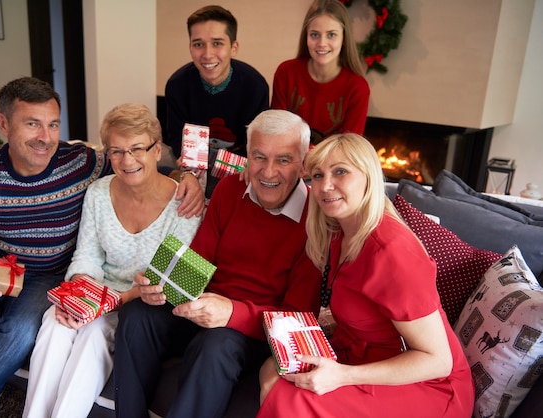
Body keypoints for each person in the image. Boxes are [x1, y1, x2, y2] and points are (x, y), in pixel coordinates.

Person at [0, 77, 204, 418]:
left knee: (47, 331)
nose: (45, 137)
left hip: (83, 286)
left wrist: (186, 175)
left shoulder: (82, 162)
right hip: (6, 266)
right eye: (32, 124)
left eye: (53, 125)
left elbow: (141, 168)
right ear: (3, 124)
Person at [113, 109, 322, 418]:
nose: (268, 172)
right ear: (247, 155)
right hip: (204, 308)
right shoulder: (229, 190)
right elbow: (199, 257)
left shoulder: (316, 218)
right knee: (137, 315)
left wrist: (232, 313)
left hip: (257, 331)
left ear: (303, 164)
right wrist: (162, 285)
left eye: (283, 160)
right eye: (259, 157)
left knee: (216, 344)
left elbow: (297, 318)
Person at [257, 134, 475, 417]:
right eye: (319, 174)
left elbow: (437, 361)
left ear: (369, 178)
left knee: (290, 398)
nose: (325, 186)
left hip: (427, 385)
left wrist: (342, 375)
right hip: (361, 356)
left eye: (341, 172)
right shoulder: (339, 232)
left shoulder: (391, 251)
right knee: (273, 370)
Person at [22, 103, 201, 418]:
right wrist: (79, 298)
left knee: (93, 334)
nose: (127, 160)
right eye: (116, 151)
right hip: (94, 294)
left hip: (138, 304)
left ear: (157, 150)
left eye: (136, 149)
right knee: (55, 322)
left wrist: (111, 303)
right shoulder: (98, 193)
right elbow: (87, 256)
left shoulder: (183, 204)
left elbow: (165, 278)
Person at [164, 4, 270, 197]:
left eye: (217, 43)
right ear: (190, 48)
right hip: (192, 164)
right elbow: (175, 136)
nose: (207, 54)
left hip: (238, 165)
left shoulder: (254, 86)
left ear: (234, 48)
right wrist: (186, 161)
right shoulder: (177, 85)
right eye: (198, 44)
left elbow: (257, 142)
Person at [271, 0, 370, 144]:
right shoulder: (286, 73)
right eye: (315, 35)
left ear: (344, 39)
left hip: (331, 164)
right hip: (288, 159)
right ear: (306, 37)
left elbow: (349, 148)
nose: (322, 43)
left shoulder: (358, 88)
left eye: (331, 35)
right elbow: (276, 132)